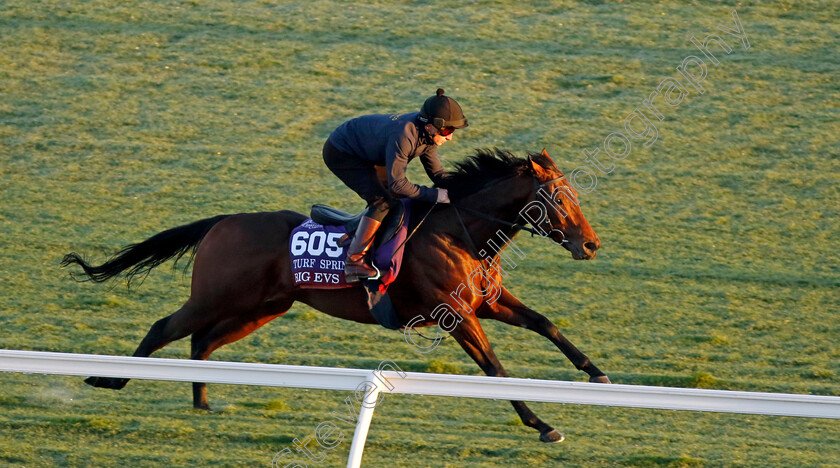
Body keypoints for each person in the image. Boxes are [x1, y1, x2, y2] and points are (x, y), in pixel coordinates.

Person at [323, 88, 468, 282]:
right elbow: (398, 185)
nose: (450, 137)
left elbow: (438, 174)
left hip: (372, 151)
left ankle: (364, 234)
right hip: (342, 152)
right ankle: (354, 263)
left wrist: (463, 188)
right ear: (431, 126)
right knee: (383, 201)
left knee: (391, 199)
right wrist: (436, 195)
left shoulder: (428, 137)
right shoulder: (405, 135)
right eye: (448, 130)